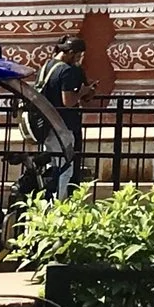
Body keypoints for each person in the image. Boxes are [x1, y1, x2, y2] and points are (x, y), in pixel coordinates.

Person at [37, 36, 89, 196]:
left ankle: (47, 199)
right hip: (63, 126)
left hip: (47, 125)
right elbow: (68, 101)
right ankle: (59, 203)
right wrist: (82, 93)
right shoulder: (66, 70)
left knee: (52, 165)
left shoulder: (47, 67)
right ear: (71, 53)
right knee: (65, 168)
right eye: (78, 55)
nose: (78, 59)